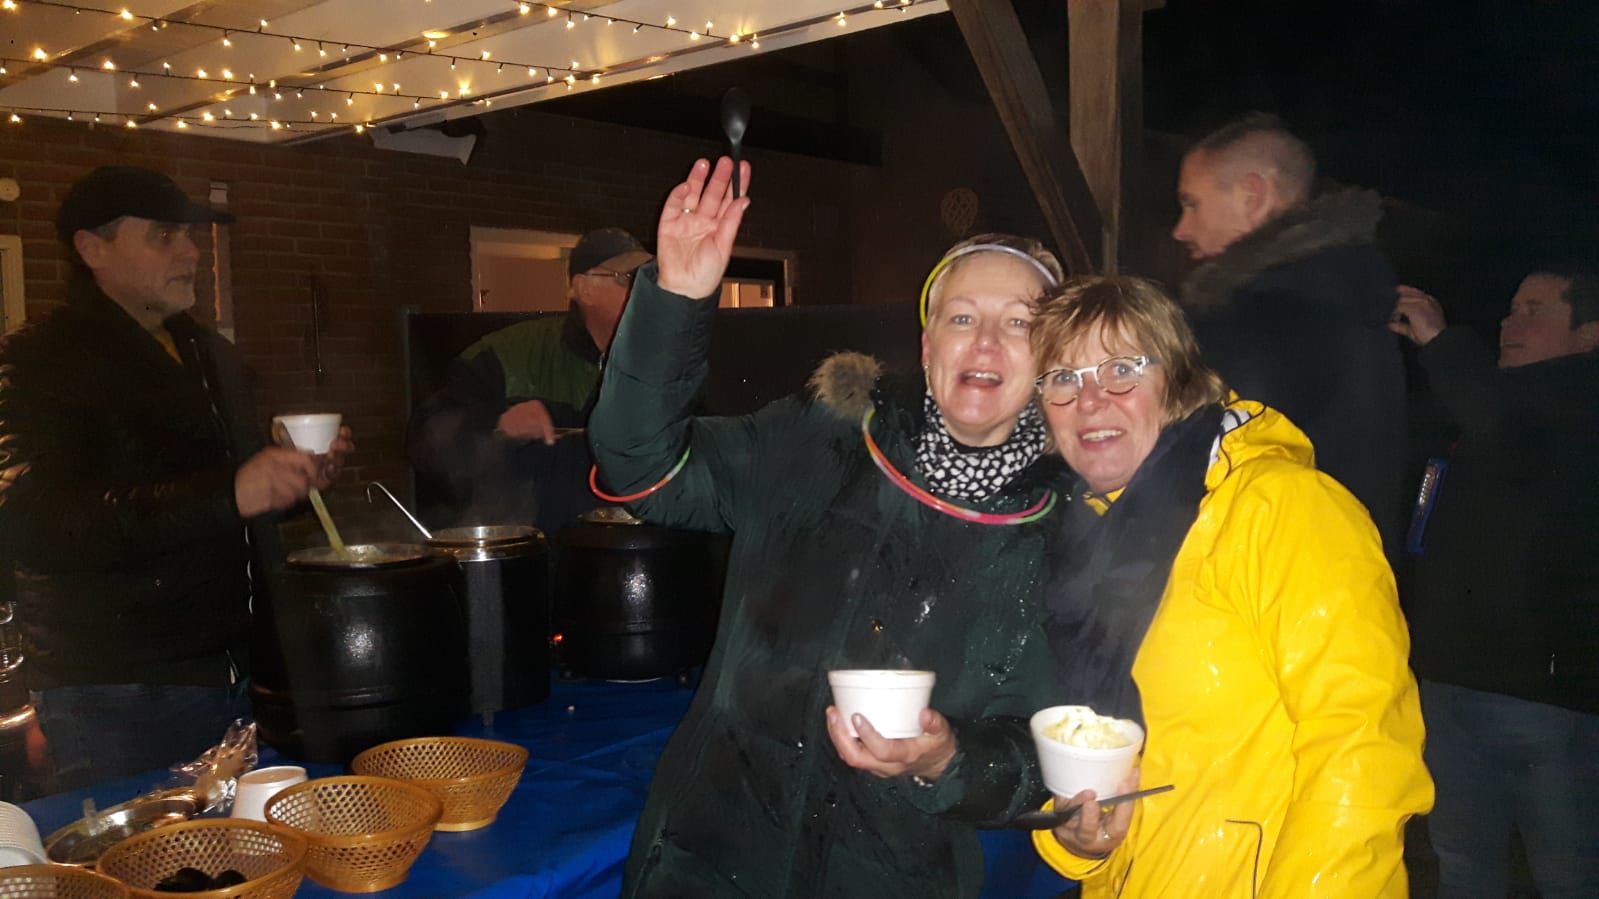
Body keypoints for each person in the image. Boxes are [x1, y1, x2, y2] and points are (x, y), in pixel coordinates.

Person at [589, 157, 1067, 897]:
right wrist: (675, 298)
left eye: (1018, 323)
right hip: (706, 859)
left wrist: (946, 760)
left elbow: (1045, 752)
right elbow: (640, 464)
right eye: (962, 317)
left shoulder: (1059, 534)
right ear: (927, 346)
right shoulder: (817, 439)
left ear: (1050, 358)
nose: (984, 344)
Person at [1027, 276, 1432, 897]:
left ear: (1177, 382)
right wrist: (1079, 838)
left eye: (1122, 369)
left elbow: (1364, 745)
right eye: (1063, 378)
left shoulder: (1281, 506)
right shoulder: (1086, 547)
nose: (1089, 400)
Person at [0, 165, 352, 792]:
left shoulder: (205, 353)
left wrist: (295, 481)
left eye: (188, 235)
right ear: (92, 248)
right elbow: (34, 523)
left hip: (237, 664)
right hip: (118, 688)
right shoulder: (38, 362)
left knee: (245, 847)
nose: (191, 252)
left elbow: (230, 498)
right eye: (164, 236)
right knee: (146, 852)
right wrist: (231, 491)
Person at [1389, 270, 1599, 899]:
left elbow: (1513, 442)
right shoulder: (1485, 404)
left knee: (1569, 875)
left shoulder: (1576, 405)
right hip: (1450, 681)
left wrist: (1443, 344)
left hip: (1546, 697)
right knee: (1462, 866)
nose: (1510, 322)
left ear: (1590, 333)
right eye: (1510, 308)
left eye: (1534, 310)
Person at [1172, 112, 1407, 554]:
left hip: (1270, 580)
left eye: (1192, 203)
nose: (1180, 229)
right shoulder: (1338, 294)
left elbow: (1192, 468)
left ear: (1253, 195)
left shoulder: (1268, 319)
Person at [408, 227, 651, 535]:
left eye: (650, 279)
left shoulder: (664, 360)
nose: (646, 291)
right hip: (534, 549)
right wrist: (498, 423)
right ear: (585, 288)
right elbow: (424, 441)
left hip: (636, 544)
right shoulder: (508, 353)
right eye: (630, 278)